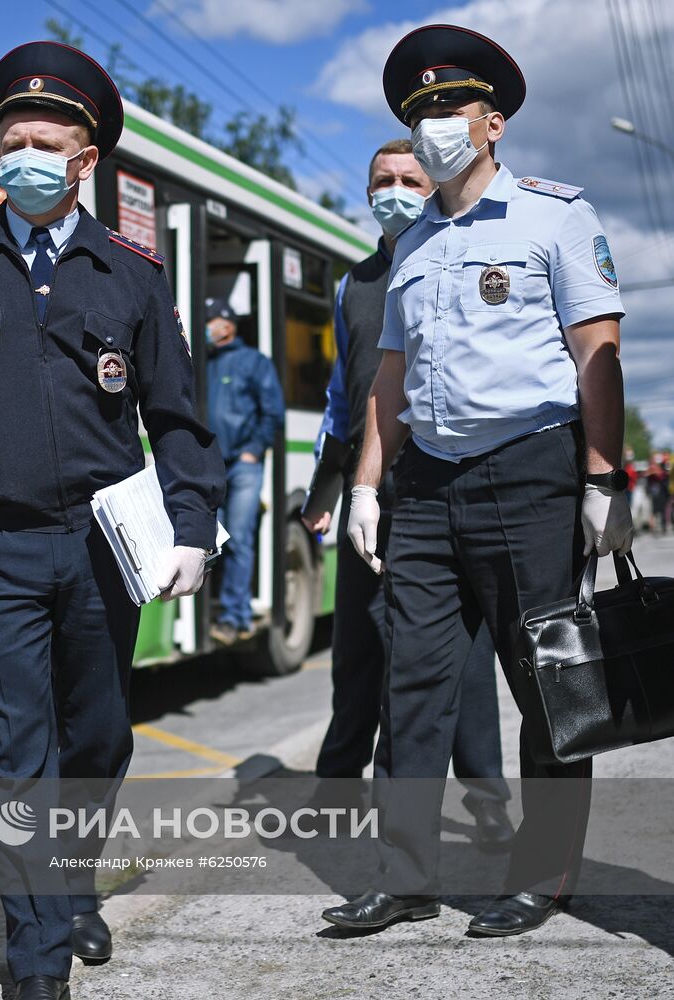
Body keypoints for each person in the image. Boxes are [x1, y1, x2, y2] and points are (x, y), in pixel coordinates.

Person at [0, 41, 223, 1000]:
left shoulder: (134, 277)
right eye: (10, 139)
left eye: (44, 141)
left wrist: (193, 525)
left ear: (85, 159)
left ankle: (70, 889)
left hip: (106, 545)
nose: (23, 153)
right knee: (16, 754)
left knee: (98, 739)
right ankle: (37, 959)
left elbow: (178, 419)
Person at [322, 24, 631, 936]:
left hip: (529, 473)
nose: (431, 128)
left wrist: (603, 478)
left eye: (448, 108)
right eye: (417, 115)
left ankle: (544, 874)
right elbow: (388, 378)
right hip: (425, 480)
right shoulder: (412, 243)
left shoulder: (555, 215)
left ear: (492, 122)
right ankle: (408, 875)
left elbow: (598, 350)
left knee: (545, 682)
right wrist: (368, 488)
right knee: (409, 683)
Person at [302, 139, 512, 848]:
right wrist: (326, 487)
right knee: (357, 648)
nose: (394, 190)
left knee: (464, 657)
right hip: (369, 492)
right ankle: (336, 789)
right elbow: (342, 398)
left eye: (409, 179)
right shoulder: (354, 284)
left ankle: (486, 796)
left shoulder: (456, 261)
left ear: (435, 184)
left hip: (443, 490)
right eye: (382, 181)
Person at [204, 297, 284, 644]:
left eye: (210, 320)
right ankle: (211, 610)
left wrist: (253, 452)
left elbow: (273, 413)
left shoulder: (254, 362)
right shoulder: (201, 363)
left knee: (237, 539)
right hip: (209, 466)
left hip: (242, 467)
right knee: (208, 542)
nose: (205, 327)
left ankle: (235, 617)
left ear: (227, 324)